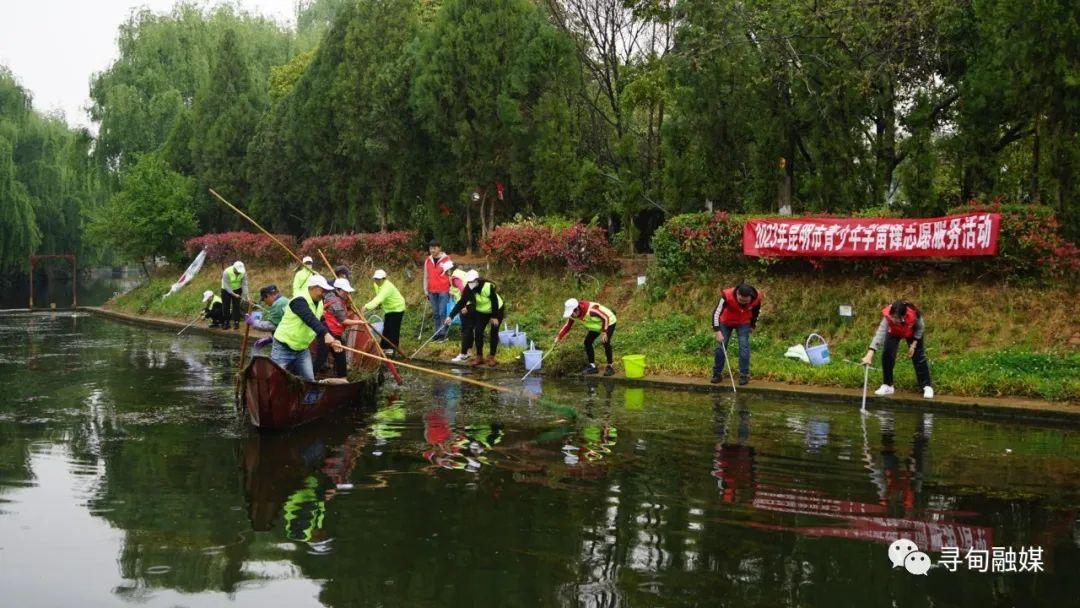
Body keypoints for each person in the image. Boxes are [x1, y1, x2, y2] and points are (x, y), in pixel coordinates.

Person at [271, 274, 343, 382]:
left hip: (302, 350)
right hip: (283, 347)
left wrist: (333, 338)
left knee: (309, 380)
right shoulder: (299, 300)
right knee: (276, 380)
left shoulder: (319, 303)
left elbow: (321, 322)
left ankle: (304, 398)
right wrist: (325, 334)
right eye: (322, 290)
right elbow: (310, 319)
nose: (324, 294)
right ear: (313, 288)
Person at [860, 300, 934, 399]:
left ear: (903, 316)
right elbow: (880, 334)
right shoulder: (888, 317)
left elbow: (920, 328)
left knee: (918, 357)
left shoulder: (914, 314)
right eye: (892, 316)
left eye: (896, 318)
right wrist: (870, 353)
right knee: (887, 354)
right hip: (894, 332)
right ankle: (888, 385)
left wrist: (913, 345)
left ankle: (926, 386)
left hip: (911, 332)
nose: (893, 319)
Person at [445, 269, 504, 366]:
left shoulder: (487, 287)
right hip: (482, 311)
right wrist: (451, 316)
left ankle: (491, 356)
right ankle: (479, 356)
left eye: (472, 281)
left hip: (496, 309)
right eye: (469, 282)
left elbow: (494, 302)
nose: (470, 283)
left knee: (493, 331)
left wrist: (494, 316)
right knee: (478, 332)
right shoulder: (468, 288)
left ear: (477, 280)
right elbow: (461, 302)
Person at [710, 282, 762, 386]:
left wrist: (752, 325)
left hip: (743, 322)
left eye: (746, 300)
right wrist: (717, 331)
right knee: (721, 346)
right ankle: (717, 374)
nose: (743, 302)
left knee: (744, 346)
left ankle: (743, 375)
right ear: (737, 294)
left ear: (750, 296)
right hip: (726, 322)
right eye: (741, 300)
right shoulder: (726, 295)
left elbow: (756, 312)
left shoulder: (757, 298)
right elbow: (716, 313)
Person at [315, 278, 365, 377]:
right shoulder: (336, 302)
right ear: (337, 290)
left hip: (335, 333)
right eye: (345, 291)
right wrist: (361, 321)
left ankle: (342, 377)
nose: (347, 293)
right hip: (327, 332)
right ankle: (309, 377)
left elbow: (344, 312)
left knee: (340, 356)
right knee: (321, 357)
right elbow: (344, 321)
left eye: (348, 291)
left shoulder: (339, 299)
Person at [556, 298, 617, 376]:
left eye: (572, 314)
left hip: (609, 322)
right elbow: (567, 326)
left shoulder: (591, 311)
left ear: (577, 309)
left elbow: (605, 317)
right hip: (596, 325)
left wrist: (605, 332)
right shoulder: (573, 314)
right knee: (587, 342)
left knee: (605, 342)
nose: (571, 316)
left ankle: (610, 366)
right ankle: (592, 367)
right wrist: (559, 337)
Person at [363, 269, 406, 356]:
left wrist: (366, 306)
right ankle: (384, 347)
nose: (377, 280)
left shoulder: (387, 287)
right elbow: (379, 295)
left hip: (397, 308)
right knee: (386, 327)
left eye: (379, 279)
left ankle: (393, 349)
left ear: (384, 279)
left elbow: (379, 298)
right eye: (375, 278)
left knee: (393, 329)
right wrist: (380, 304)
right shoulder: (376, 284)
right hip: (388, 309)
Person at [442, 260, 474, 363]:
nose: (446, 274)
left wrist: (465, 305)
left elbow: (463, 290)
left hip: (466, 305)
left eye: (447, 272)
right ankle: (468, 352)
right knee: (469, 329)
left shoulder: (455, 278)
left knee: (465, 330)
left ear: (450, 270)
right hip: (472, 303)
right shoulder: (460, 273)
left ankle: (463, 354)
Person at [423, 240, 453, 341]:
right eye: (430, 248)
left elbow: (450, 275)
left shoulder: (446, 259)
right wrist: (425, 290)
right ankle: (437, 332)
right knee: (436, 313)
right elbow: (426, 276)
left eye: (434, 248)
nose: (432, 250)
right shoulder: (428, 260)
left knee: (442, 312)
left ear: (439, 248)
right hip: (432, 291)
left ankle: (443, 334)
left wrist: (451, 289)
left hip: (444, 290)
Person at [221, 260, 248, 330]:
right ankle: (226, 322)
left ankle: (236, 322)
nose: (239, 272)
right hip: (226, 290)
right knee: (226, 306)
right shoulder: (226, 272)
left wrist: (246, 295)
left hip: (237, 289)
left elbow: (244, 284)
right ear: (234, 268)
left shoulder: (243, 272)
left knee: (236, 306)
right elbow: (226, 286)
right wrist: (234, 294)